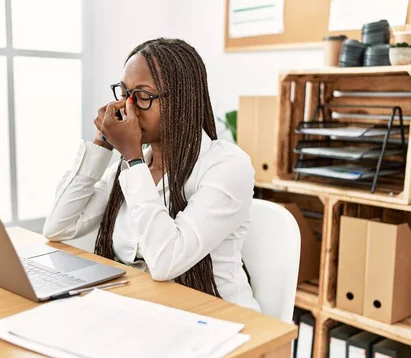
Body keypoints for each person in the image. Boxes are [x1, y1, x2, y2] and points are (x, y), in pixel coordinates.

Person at [43, 38, 260, 311]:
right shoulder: (132, 167)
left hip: (217, 319)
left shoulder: (227, 167)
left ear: (182, 100)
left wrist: (132, 159)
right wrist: (101, 145)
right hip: (149, 311)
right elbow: (58, 226)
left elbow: (165, 262)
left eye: (142, 96)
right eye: (123, 93)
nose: (127, 107)